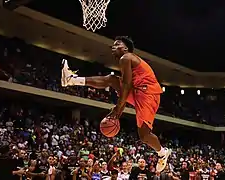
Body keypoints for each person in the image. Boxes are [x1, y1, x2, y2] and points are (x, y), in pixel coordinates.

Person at [61, 36, 171, 172]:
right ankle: (71, 80)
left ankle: (162, 152)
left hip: (148, 94)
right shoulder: (125, 60)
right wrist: (118, 110)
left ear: (126, 48)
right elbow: (125, 87)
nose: (113, 47)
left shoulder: (127, 58)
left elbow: (126, 85)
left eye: (117, 44)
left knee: (144, 135)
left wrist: (118, 109)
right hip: (138, 91)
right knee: (112, 79)